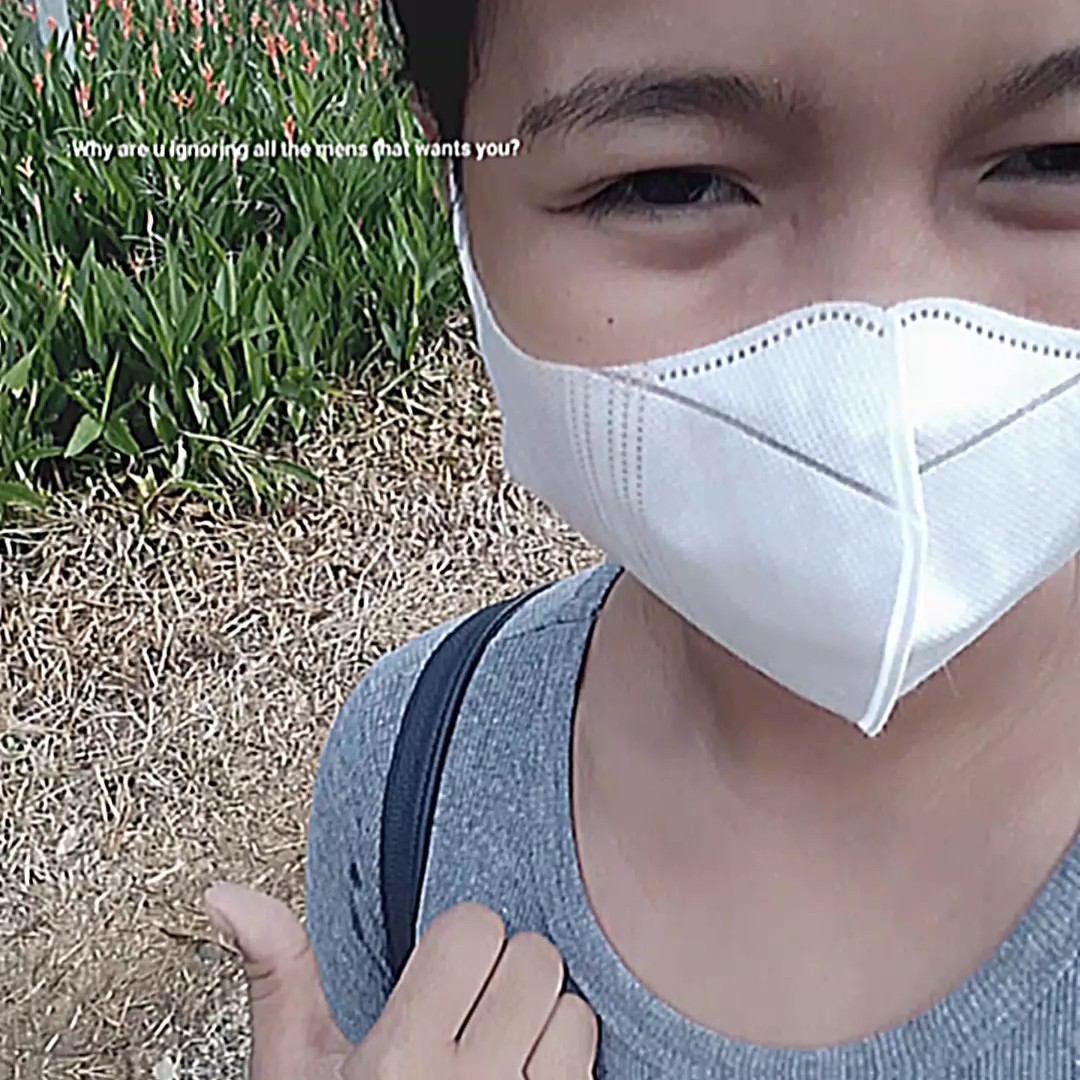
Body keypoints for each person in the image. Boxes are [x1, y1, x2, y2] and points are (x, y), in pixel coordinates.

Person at [203, 0, 1080, 1075]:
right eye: (671, 184)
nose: (878, 369)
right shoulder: (411, 781)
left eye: (1058, 161)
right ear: (456, 179)